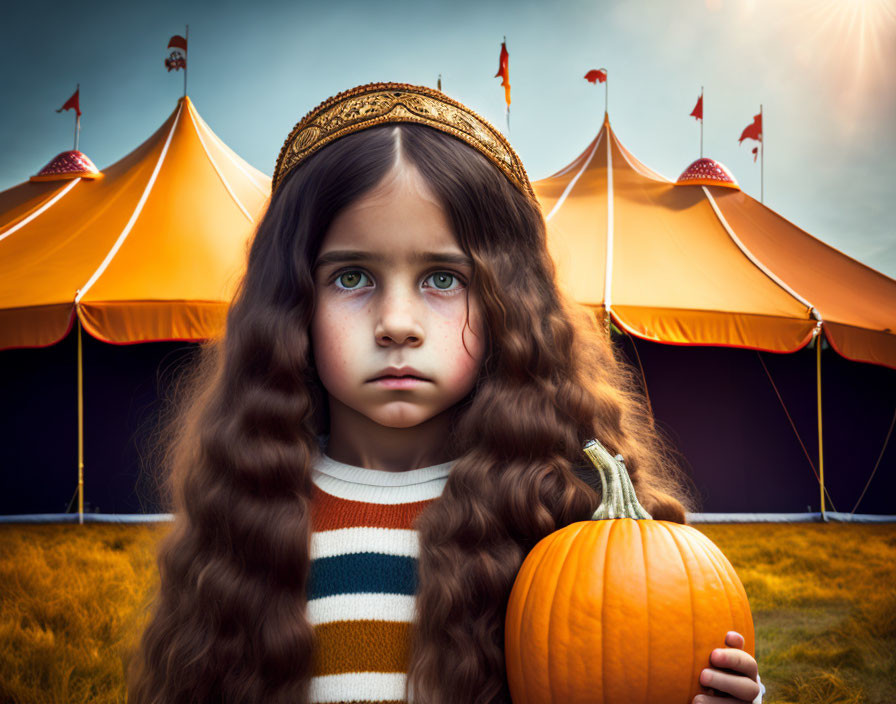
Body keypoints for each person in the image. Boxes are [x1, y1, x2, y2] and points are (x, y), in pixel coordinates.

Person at [126, 82, 765, 704]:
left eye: (442, 278)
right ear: (293, 301)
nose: (397, 323)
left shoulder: (557, 517)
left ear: (505, 306)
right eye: (352, 276)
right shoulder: (247, 519)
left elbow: (630, 666)